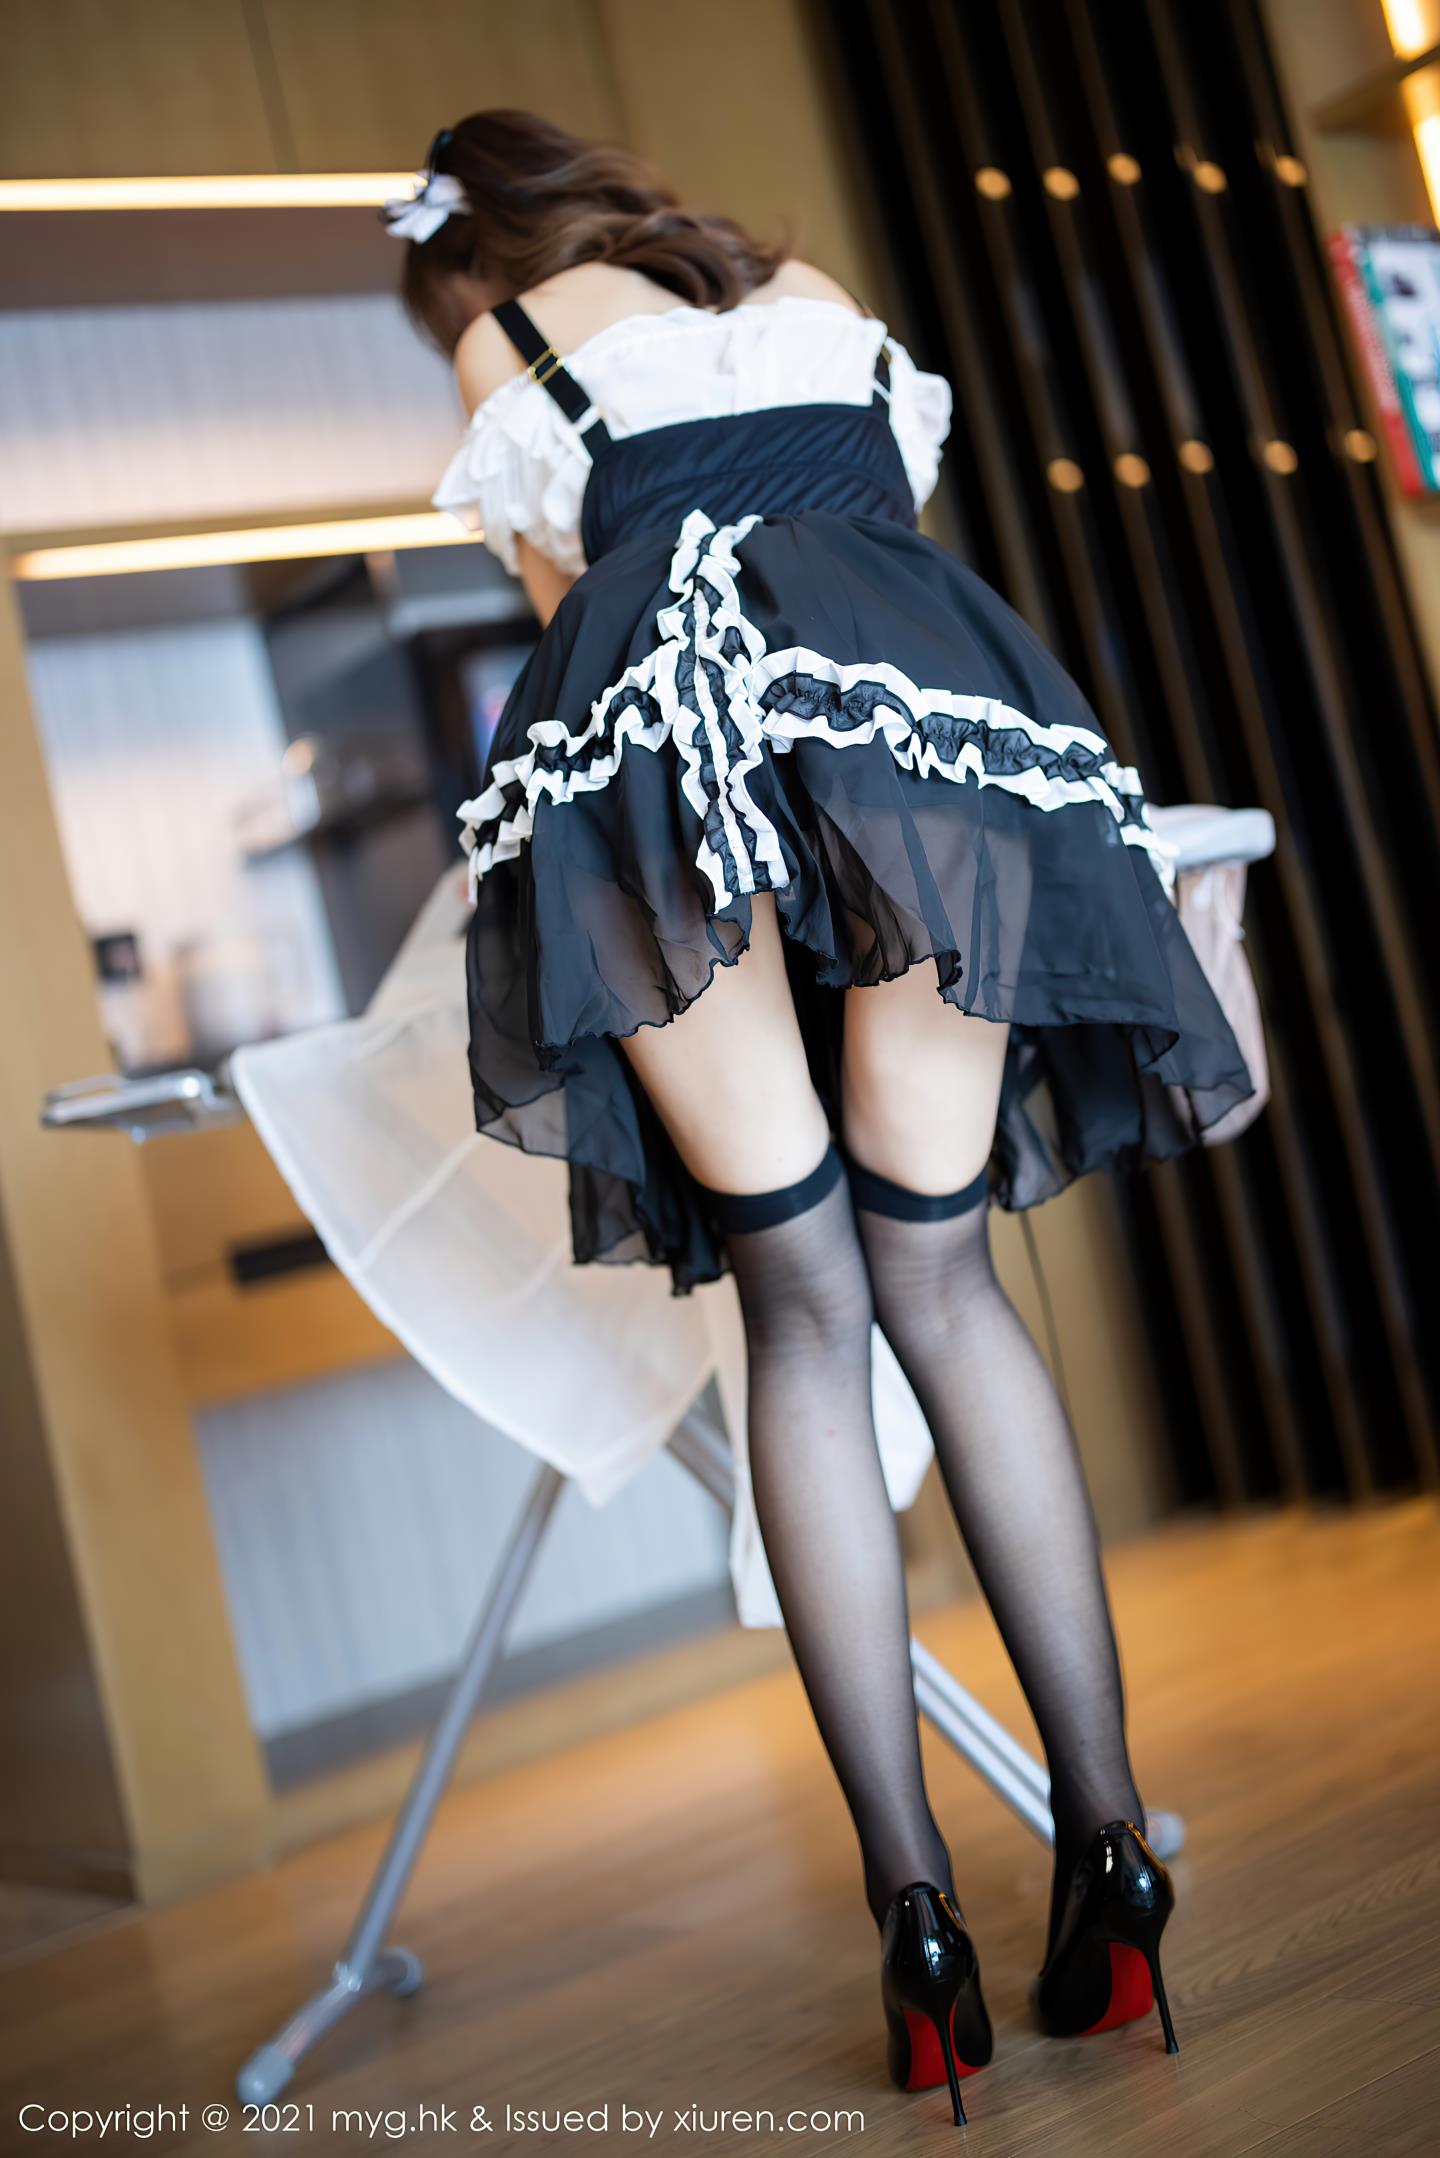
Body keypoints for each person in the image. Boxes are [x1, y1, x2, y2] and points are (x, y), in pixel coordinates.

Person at [391, 109, 1243, 2125]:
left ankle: (917, 1917)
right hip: (924, 737)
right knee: (947, 1284)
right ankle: (1110, 1839)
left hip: (664, 761)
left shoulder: (508, 343)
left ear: (476, 256)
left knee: (805, 1308)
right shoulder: (821, 302)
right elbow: (865, 549)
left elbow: (562, 606)